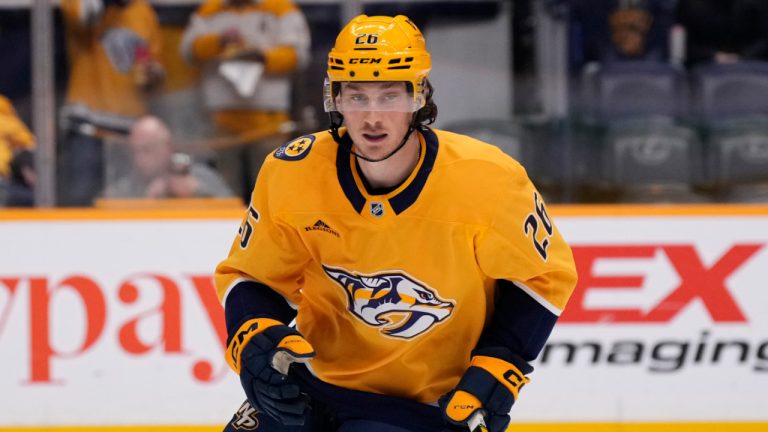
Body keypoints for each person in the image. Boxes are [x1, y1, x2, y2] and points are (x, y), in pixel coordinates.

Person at [214, 15, 578, 432]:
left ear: (419, 97)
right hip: (308, 387)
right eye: (356, 96)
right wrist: (253, 332)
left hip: (424, 404)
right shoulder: (291, 171)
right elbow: (254, 274)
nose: (372, 117)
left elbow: (543, 277)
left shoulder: (488, 179)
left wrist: (501, 361)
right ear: (335, 98)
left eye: (389, 96)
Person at [180, 0, 311, 202]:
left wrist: (262, 57)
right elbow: (188, 50)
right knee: (223, 192)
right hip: (221, 120)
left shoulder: (281, 8)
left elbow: (298, 54)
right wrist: (218, 42)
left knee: (271, 191)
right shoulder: (209, 10)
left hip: (268, 120)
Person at [59, 0, 164, 206]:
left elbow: (156, 67)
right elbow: (83, 15)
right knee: (80, 205)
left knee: (129, 207)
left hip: (130, 133)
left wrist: (154, 73)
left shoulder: (143, 11)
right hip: (88, 128)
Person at [103, 116, 232, 199]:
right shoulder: (124, 189)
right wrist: (147, 203)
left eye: (148, 150)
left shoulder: (200, 176)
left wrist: (198, 191)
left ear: (168, 147)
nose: (139, 159)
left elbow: (234, 213)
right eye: (135, 151)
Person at [675, 0, 768, 67]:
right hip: (702, 67)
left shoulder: (758, 3)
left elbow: (764, 40)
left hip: (751, 66)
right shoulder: (689, 4)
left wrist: (741, 58)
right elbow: (680, 48)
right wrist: (713, 56)